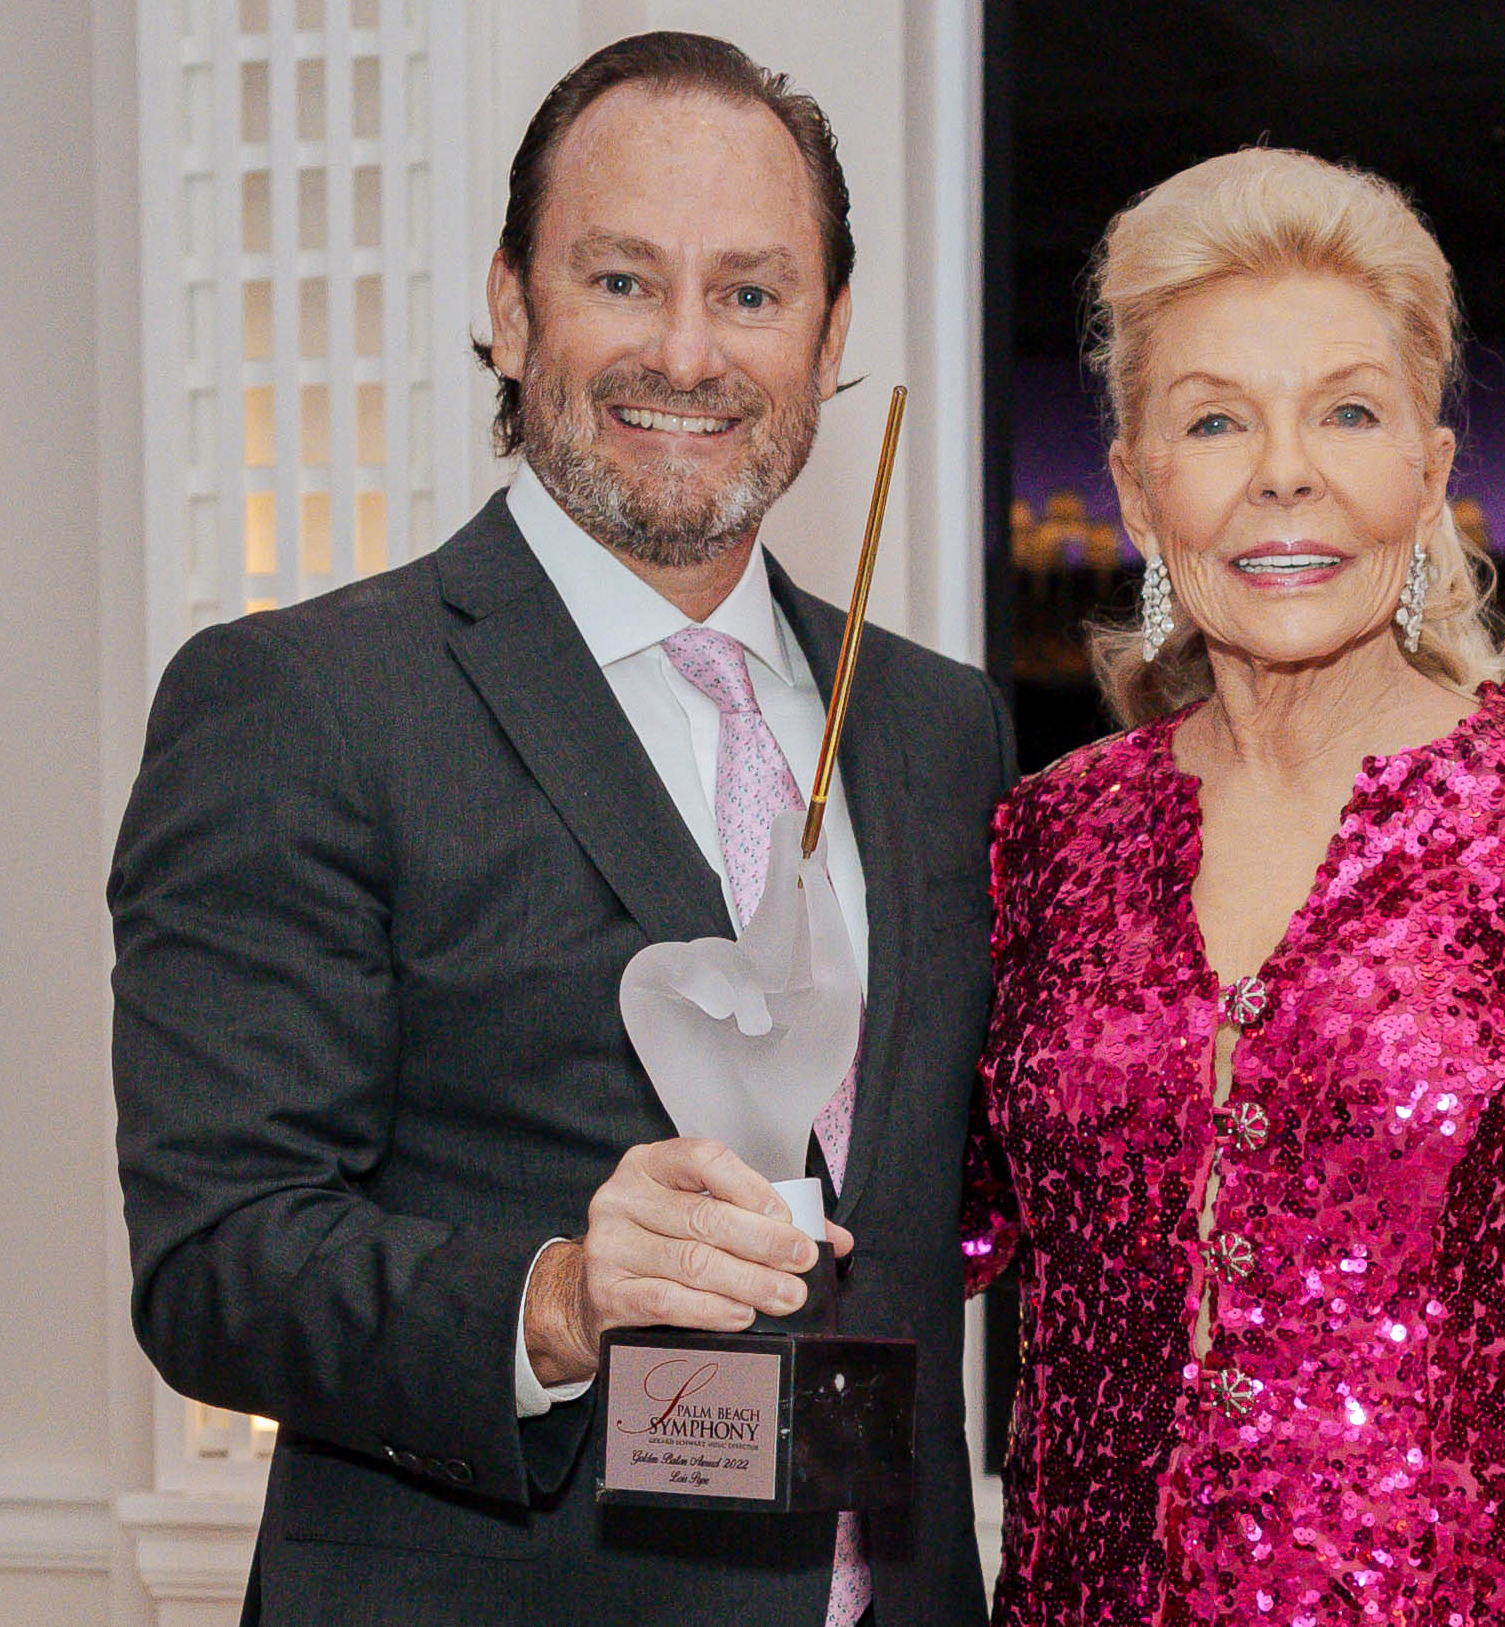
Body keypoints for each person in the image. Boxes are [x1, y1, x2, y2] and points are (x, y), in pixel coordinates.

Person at [111, 34, 1004, 1627]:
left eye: (749, 293)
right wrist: (556, 1298)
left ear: (829, 334)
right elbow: (218, 1263)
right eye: (619, 280)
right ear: (512, 309)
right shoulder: (302, 702)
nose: (686, 350)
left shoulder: (943, 731)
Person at [961, 148, 1505, 1626]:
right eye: (1215, 420)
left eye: (1347, 412)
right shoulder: (1046, 840)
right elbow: (939, 1226)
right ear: (1133, 486)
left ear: (1429, 472)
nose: (1284, 472)